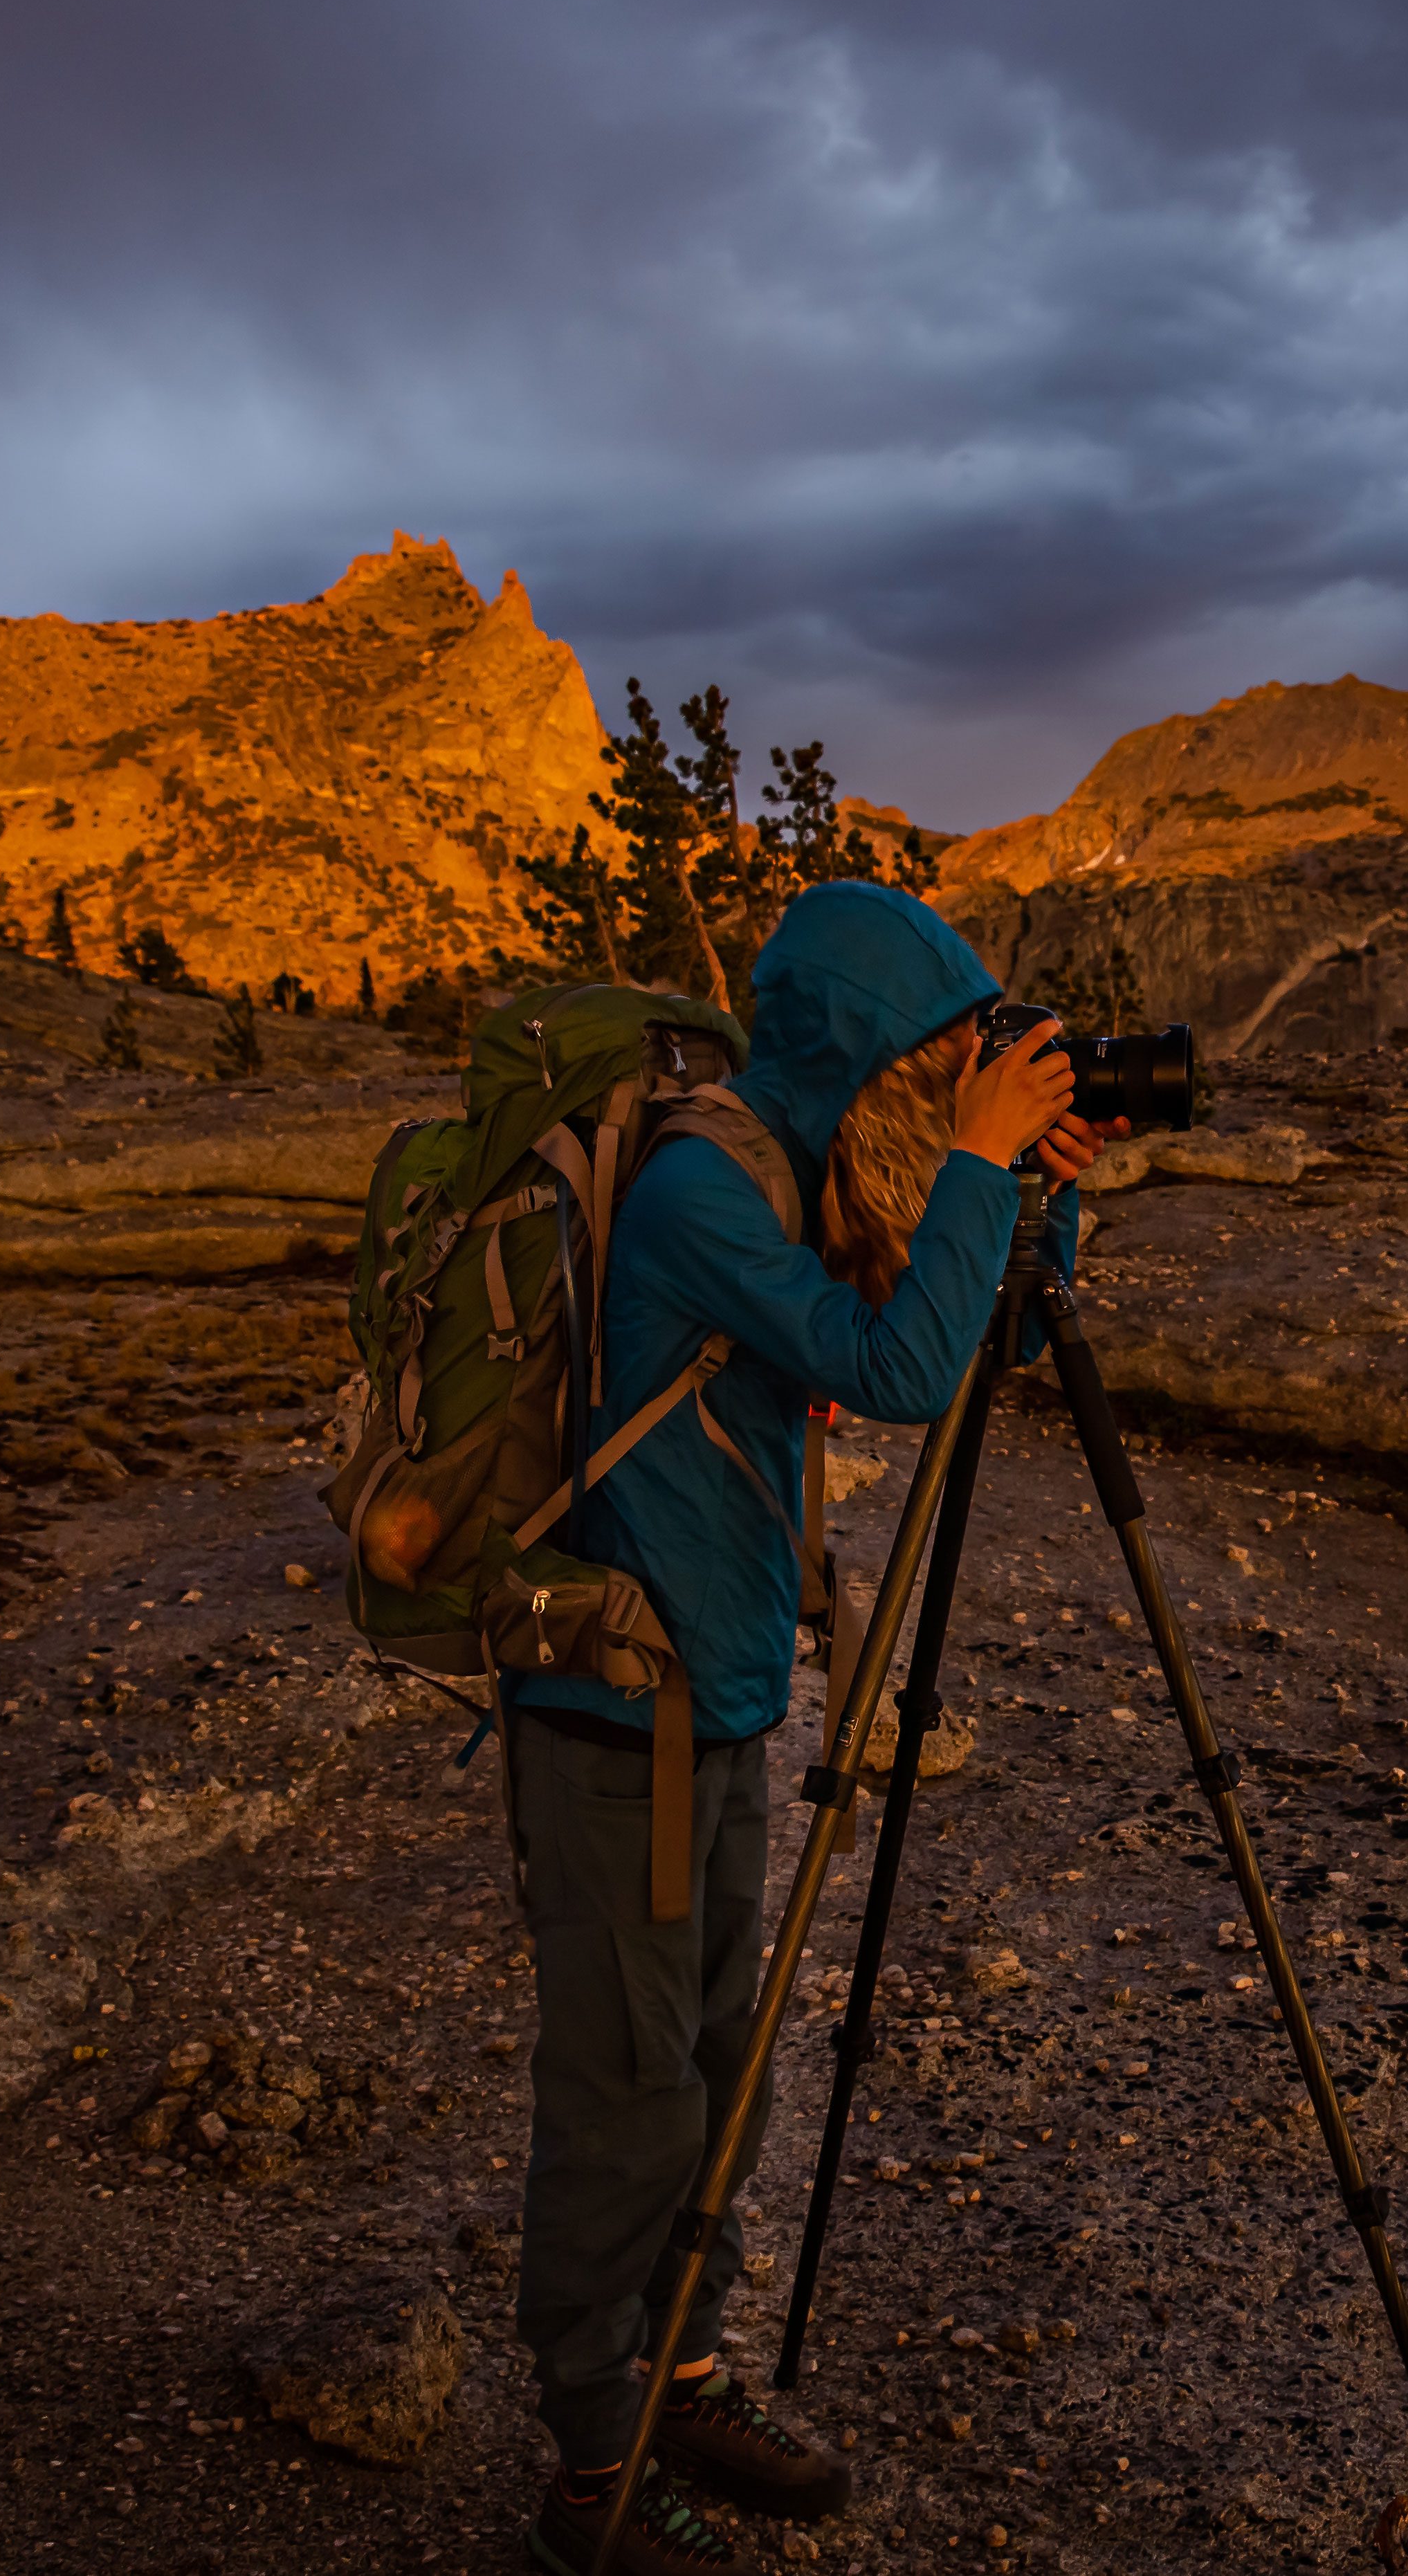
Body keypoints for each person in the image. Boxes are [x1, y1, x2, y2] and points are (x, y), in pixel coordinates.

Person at [509, 882, 1118, 2576]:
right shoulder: (708, 1185)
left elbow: (961, 1329)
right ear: (858, 1040)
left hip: (716, 1695)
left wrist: (1033, 1207)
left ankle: (683, 2373)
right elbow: (898, 1372)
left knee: (721, 2060)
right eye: (934, 1051)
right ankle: (588, 2465)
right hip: (614, 1704)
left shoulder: (804, 1163)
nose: (952, 1078)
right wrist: (983, 1164)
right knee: (628, 2088)